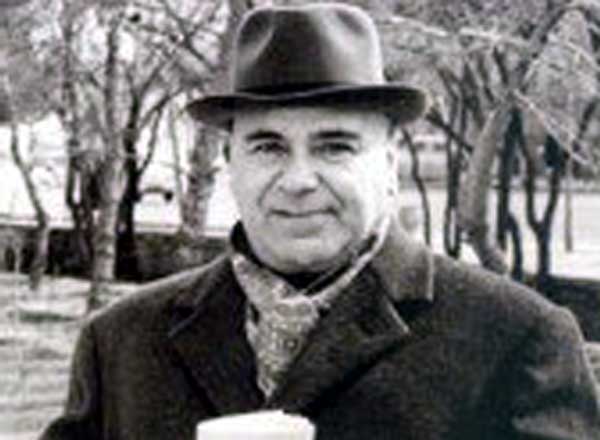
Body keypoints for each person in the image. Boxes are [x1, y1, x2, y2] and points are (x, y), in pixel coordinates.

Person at [40, 3, 600, 440]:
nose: (298, 179)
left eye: (335, 146)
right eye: (268, 147)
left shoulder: (517, 339)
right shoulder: (120, 344)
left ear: (388, 165)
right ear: (231, 164)